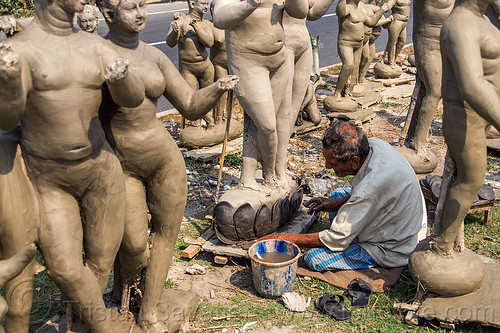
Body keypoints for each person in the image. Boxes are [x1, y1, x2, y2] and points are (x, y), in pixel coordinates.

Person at [0, 0, 145, 330]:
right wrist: (8, 81)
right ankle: (104, 327)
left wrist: (122, 79)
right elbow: (7, 117)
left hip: (100, 170)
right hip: (50, 179)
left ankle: (81, 324)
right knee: (64, 268)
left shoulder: (94, 45)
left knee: (98, 265)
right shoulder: (19, 49)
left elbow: (133, 97)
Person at [97, 0, 238, 329]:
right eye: (131, 7)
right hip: (121, 163)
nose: (141, 13)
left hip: (164, 159)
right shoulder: (96, 52)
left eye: (143, 5)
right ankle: (126, 285)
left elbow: (189, 105)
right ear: (109, 13)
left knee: (165, 235)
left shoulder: (154, 55)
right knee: (132, 244)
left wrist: (217, 87)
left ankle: (149, 309)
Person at [262, 121, 426, 270]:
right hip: (392, 216)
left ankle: (362, 248)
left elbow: (335, 239)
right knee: (336, 195)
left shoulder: (371, 186)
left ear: (354, 161)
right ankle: (347, 227)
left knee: (314, 258)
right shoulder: (374, 146)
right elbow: (373, 196)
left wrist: (287, 238)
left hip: (392, 246)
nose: (327, 166)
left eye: (333, 163)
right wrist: (336, 203)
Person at [213, 0, 309, 192]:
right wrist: (250, 3)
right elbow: (220, 17)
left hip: (279, 60)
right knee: (267, 125)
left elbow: (299, 12)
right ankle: (268, 176)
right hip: (248, 61)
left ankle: (265, 177)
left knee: (265, 122)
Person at [166, 0, 215, 128]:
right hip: (188, 68)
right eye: (203, 3)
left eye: (207, 3)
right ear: (192, 4)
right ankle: (197, 125)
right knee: (192, 99)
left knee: (206, 97)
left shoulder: (205, 24)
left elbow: (209, 43)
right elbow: (170, 43)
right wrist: (175, 32)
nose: (206, 6)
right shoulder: (180, 22)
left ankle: (209, 122)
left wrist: (196, 27)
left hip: (205, 66)